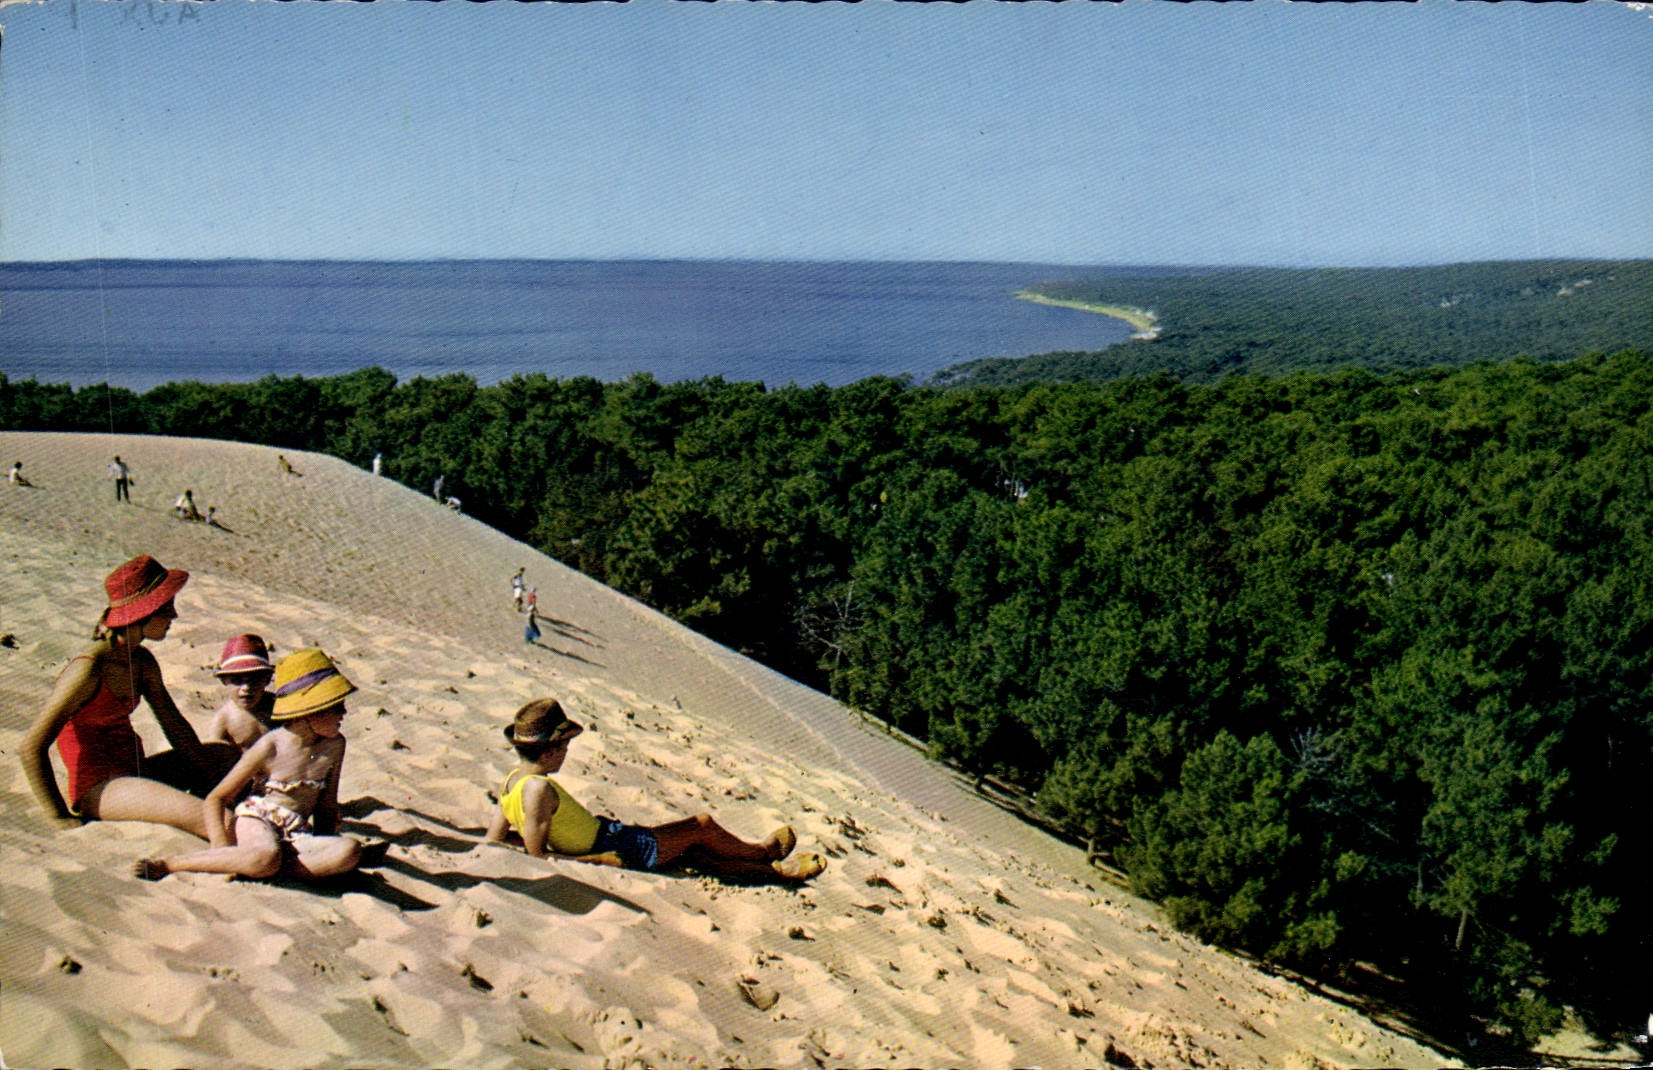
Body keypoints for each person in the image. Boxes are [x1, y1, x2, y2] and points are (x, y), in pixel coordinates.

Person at [484, 698, 825, 882]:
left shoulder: (512, 781)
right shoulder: (539, 790)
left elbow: (496, 839)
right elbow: (537, 856)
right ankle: (762, 854)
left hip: (611, 836)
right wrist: (597, 859)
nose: (567, 752)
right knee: (700, 826)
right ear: (550, 751)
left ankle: (775, 873)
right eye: (566, 746)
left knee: (694, 853)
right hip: (615, 846)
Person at [22, 555, 238, 836]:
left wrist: (210, 770)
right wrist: (59, 816)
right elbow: (30, 748)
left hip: (136, 773)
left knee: (228, 758)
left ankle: (208, 819)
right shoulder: (89, 668)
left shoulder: (142, 661)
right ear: (141, 613)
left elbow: (175, 726)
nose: (173, 616)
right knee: (219, 821)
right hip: (101, 788)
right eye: (166, 607)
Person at [134, 648, 364, 883]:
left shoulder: (335, 745)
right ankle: (173, 863)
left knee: (349, 850)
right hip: (257, 820)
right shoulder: (270, 746)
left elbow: (326, 804)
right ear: (309, 711)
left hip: (296, 830)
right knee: (266, 855)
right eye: (336, 706)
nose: (344, 712)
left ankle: (257, 866)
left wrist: (326, 846)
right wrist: (219, 848)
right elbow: (217, 798)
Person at [203, 634, 276, 749]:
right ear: (224, 681)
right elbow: (214, 756)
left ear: (267, 679)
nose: (246, 687)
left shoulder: (278, 708)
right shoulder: (224, 719)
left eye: (255, 680)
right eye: (237, 680)